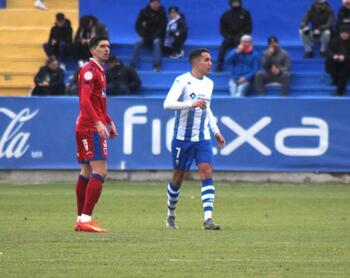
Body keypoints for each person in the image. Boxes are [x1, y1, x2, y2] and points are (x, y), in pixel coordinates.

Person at [163, 48, 225, 230]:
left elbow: (207, 109)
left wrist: (216, 131)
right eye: (207, 60)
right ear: (196, 62)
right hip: (182, 139)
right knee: (178, 176)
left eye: (211, 60)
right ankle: (171, 214)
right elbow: (167, 104)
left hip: (202, 138)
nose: (210, 63)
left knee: (206, 171)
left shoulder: (209, 84)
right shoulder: (182, 81)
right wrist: (191, 104)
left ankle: (208, 218)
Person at [74, 36, 118, 233]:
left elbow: (96, 102)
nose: (106, 49)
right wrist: (99, 122)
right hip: (90, 127)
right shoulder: (90, 72)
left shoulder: (99, 71)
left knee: (87, 171)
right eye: (102, 46)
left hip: (89, 125)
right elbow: (85, 102)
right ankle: (86, 218)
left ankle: (80, 219)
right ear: (92, 50)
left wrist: (108, 120)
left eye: (108, 46)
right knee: (100, 171)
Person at [215, 0, 252, 72]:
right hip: (230, 37)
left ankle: (239, 64)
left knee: (240, 44)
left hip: (241, 37)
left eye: (237, 2)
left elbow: (249, 27)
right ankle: (219, 65)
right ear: (230, 3)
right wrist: (227, 35)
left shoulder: (245, 13)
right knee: (223, 45)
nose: (235, 4)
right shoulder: (226, 14)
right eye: (234, 2)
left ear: (240, 3)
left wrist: (242, 35)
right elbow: (222, 28)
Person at [130, 0, 167, 71]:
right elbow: (138, 25)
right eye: (154, 3)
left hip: (156, 35)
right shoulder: (143, 12)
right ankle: (133, 64)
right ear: (150, 4)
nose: (156, 5)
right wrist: (143, 35)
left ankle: (156, 64)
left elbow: (163, 27)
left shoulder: (162, 13)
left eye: (157, 4)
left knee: (157, 43)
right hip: (145, 35)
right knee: (138, 42)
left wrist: (156, 35)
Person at [326, 25, 350, 96]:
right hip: (337, 61)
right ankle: (335, 80)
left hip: (347, 63)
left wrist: (345, 58)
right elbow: (329, 51)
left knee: (343, 72)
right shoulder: (335, 41)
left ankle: (340, 91)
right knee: (329, 62)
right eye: (342, 33)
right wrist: (334, 56)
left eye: (346, 33)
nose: (344, 35)